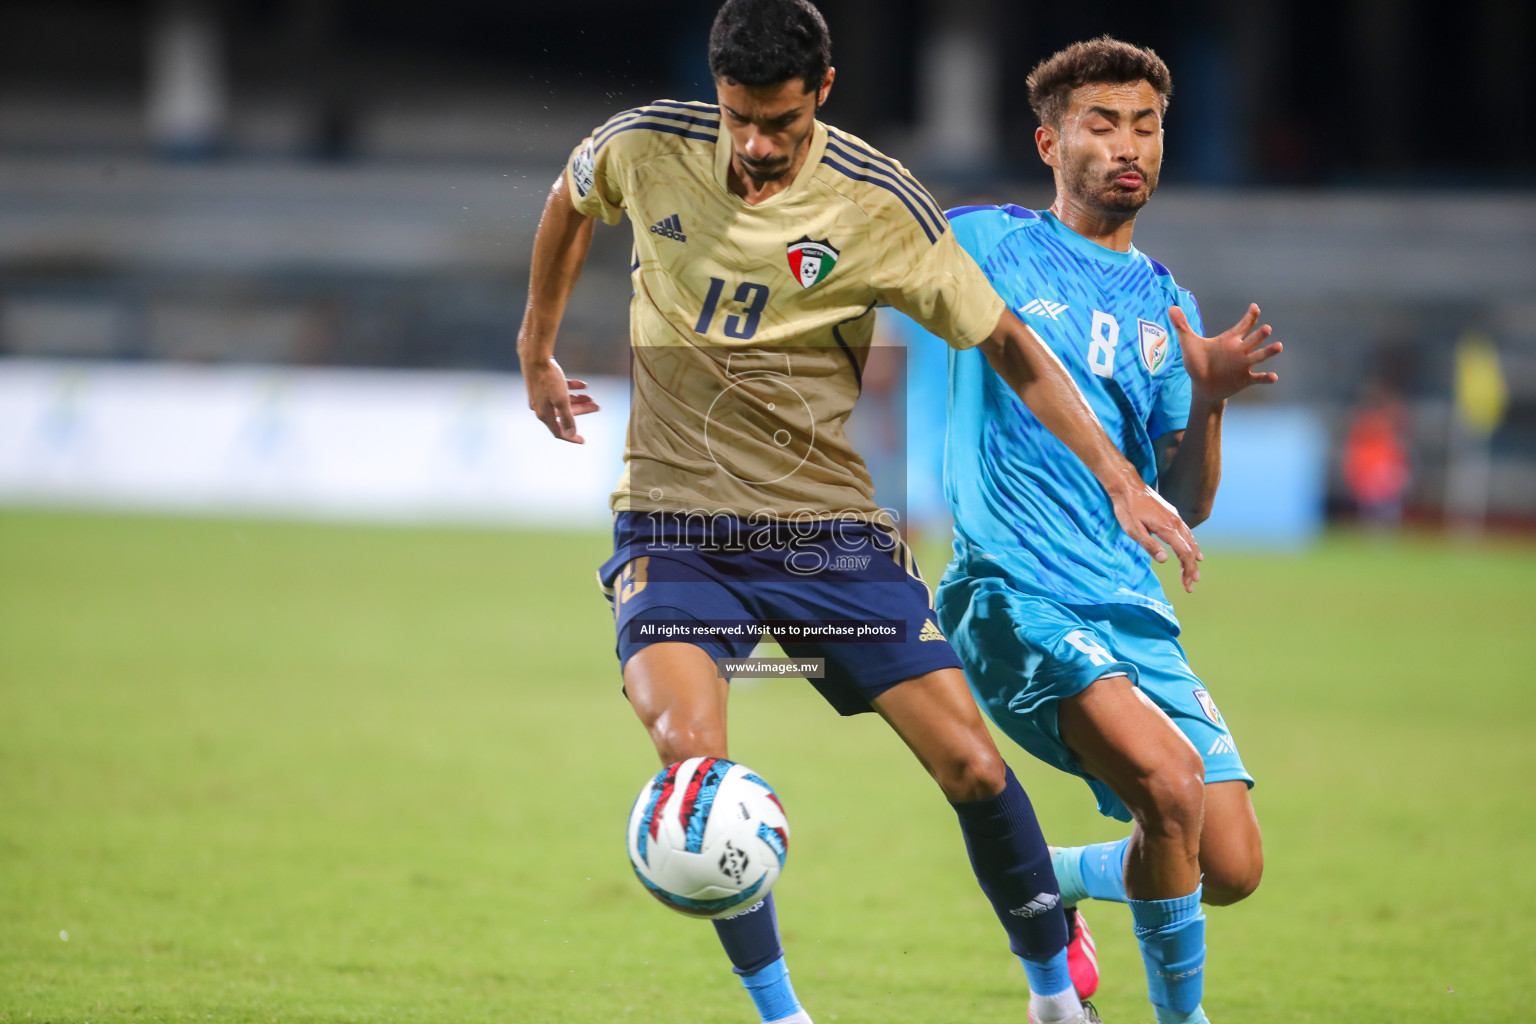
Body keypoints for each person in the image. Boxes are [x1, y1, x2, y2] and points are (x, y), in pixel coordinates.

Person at [516, 4, 1202, 1021]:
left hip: (826, 536)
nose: (755, 145)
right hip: (675, 525)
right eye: (739, 118)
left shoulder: (879, 207)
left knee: (970, 761)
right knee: (693, 768)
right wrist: (537, 342)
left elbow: (1008, 342)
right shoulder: (644, 147)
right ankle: (784, 1014)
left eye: (780, 124)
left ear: (823, 93)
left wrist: (1114, 473)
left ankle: (1056, 995)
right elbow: (571, 199)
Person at [918, 37, 1283, 1024]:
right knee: (1167, 786)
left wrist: (1207, 401)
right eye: (1102, 122)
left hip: (1131, 604)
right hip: (1011, 589)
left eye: (1148, 124)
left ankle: (1050, 876)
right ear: (1048, 141)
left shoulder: (1170, 303)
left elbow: (1188, 501)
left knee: (1231, 862)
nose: (1130, 144)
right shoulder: (984, 241)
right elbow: (850, 261)